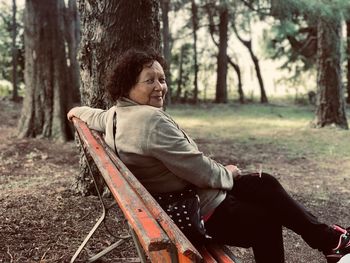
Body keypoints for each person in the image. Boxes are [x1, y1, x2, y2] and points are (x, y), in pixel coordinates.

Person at [67, 48, 349, 263]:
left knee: (264, 183)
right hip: (193, 210)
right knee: (265, 219)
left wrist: (77, 111)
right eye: (149, 81)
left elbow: (96, 115)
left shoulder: (118, 115)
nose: (159, 87)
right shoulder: (150, 122)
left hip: (174, 203)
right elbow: (198, 170)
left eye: (162, 79)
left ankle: (331, 240)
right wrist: (228, 173)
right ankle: (331, 241)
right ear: (127, 86)